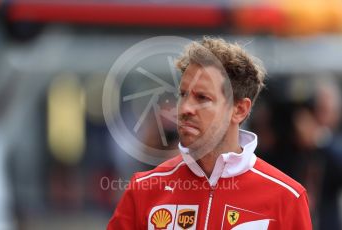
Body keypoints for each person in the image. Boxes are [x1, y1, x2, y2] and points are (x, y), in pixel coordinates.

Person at [107, 37, 312, 229]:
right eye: (183, 94)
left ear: (239, 110)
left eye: (202, 97)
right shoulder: (144, 189)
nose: (185, 108)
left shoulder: (286, 198)